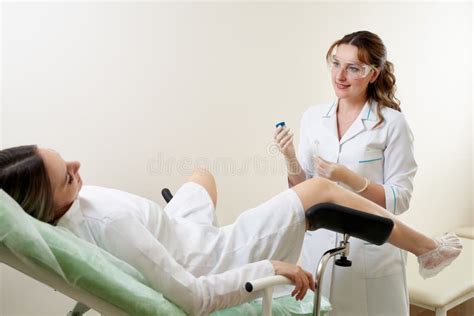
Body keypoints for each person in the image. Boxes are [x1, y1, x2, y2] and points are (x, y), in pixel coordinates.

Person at [0, 145, 462, 316]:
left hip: (177, 232)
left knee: (202, 175)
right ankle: (426, 250)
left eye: (66, 159)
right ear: (46, 204)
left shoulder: (63, 214)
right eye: (68, 175)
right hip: (212, 255)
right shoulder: (109, 226)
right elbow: (195, 298)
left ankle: (194, 215)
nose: (79, 165)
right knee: (320, 189)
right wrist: (270, 265)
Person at [274, 31, 417, 315]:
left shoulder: (391, 123)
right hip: (320, 246)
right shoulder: (314, 118)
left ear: (373, 74)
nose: (341, 75)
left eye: (353, 68)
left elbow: (400, 199)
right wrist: (290, 157)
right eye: (336, 64)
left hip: (370, 249)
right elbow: (303, 191)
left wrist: (350, 178)